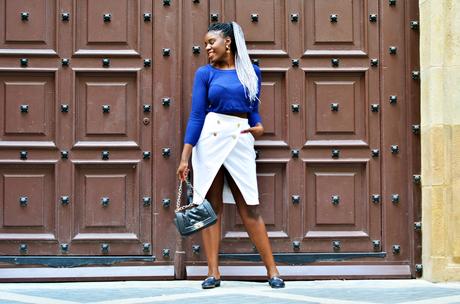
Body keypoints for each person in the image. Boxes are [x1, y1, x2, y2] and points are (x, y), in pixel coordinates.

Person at [176, 22, 285, 289]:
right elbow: (197, 115)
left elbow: (254, 112)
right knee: (210, 208)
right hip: (210, 139)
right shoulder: (205, 73)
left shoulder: (252, 72)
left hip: (240, 137)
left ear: (228, 42)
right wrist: (184, 157)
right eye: (204, 45)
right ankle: (213, 272)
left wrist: (259, 127)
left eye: (211, 42)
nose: (207, 48)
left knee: (249, 205)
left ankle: (273, 271)